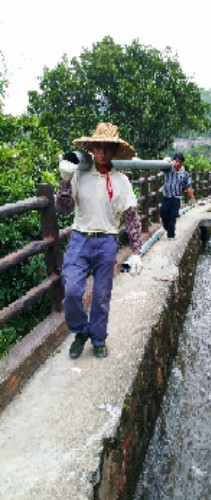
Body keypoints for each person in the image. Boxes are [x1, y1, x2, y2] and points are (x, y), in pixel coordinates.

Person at [56, 122, 143, 359]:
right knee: (72, 291)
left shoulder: (121, 181)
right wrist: (64, 182)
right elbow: (63, 208)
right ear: (92, 149)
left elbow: (131, 217)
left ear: (114, 152)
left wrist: (136, 250)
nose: (102, 152)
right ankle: (81, 331)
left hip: (106, 241)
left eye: (107, 148)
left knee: (101, 296)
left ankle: (98, 339)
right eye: (98, 147)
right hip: (80, 239)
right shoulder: (79, 175)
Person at [160, 153, 195, 239]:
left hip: (176, 199)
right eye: (176, 161)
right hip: (166, 197)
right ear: (174, 161)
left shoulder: (184, 174)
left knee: (172, 218)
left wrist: (192, 198)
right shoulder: (168, 168)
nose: (178, 164)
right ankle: (167, 228)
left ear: (182, 163)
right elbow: (162, 166)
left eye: (180, 162)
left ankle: (171, 237)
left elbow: (188, 186)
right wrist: (166, 159)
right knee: (163, 214)